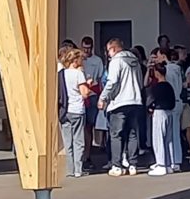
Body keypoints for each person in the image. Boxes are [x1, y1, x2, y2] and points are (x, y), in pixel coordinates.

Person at [99, 37, 145, 176]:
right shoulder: (135, 61)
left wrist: (103, 97)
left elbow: (112, 82)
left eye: (108, 51)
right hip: (135, 100)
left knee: (116, 134)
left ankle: (117, 165)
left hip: (119, 102)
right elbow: (140, 82)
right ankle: (133, 165)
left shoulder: (116, 61)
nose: (108, 54)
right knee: (132, 134)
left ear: (113, 49)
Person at [59, 45, 92, 178]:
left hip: (64, 110)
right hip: (77, 109)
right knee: (78, 141)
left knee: (67, 142)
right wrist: (88, 84)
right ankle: (78, 169)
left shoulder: (61, 74)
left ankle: (70, 169)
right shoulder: (78, 74)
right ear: (76, 61)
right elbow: (84, 93)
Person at [145, 63, 181, 175]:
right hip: (169, 112)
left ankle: (161, 164)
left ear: (157, 73)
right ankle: (169, 163)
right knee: (168, 139)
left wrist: (150, 108)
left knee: (158, 138)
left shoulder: (157, 87)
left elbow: (150, 100)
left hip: (159, 112)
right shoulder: (169, 86)